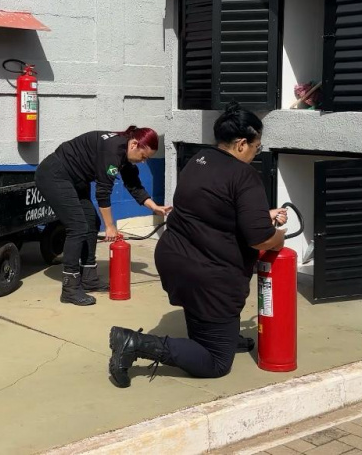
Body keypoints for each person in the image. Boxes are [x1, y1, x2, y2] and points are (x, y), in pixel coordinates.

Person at [108, 102, 289, 387]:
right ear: (241, 144)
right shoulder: (244, 176)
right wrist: (278, 237)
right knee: (216, 363)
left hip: (174, 259)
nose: (257, 153)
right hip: (206, 273)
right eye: (257, 146)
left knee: (209, 316)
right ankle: (135, 343)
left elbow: (210, 208)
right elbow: (260, 239)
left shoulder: (200, 159)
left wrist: (260, 215)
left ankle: (222, 337)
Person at [35, 127, 172, 306]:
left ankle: (89, 278)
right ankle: (70, 288)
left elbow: (133, 184)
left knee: (91, 222)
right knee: (77, 227)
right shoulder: (113, 150)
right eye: (144, 156)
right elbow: (102, 193)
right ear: (135, 145)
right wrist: (110, 226)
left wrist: (154, 207)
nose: (144, 162)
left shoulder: (125, 151)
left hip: (76, 179)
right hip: (55, 175)